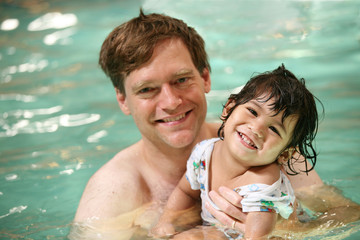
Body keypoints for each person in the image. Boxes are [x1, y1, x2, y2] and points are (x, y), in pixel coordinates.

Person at [72, 10, 327, 239]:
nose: (171, 102)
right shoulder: (111, 195)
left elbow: (347, 220)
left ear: (205, 77)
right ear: (123, 100)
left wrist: (289, 229)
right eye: (147, 89)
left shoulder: (270, 150)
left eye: (181, 80)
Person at [150, 64, 320, 239]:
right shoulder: (204, 153)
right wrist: (166, 221)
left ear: (284, 154)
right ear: (229, 108)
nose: (256, 128)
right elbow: (185, 192)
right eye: (253, 111)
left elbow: (257, 237)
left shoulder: (263, 184)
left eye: (274, 129)